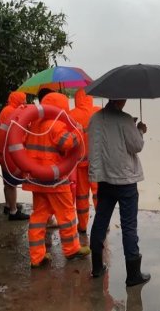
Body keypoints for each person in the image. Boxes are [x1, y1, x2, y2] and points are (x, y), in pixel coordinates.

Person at [22, 92, 91, 268]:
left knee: (39, 215)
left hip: (37, 180)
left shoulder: (34, 124)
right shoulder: (56, 124)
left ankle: (37, 256)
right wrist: (78, 130)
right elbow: (66, 143)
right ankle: (71, 249)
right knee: (67, 213)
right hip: (55, 181)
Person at [88, 99, 150, 286]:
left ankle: (97, 267)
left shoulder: (95, 119)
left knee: (100, 221)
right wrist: (139, 130)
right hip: (125, 181)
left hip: (104, 179)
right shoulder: (124, 120)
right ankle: (133, 275)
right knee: (129, 226)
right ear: (121, 99)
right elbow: (136, 146)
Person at [69, 89, 101, 232]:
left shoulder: (71, 115)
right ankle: (102, 223)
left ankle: (82, 226)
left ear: (76, 99)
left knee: (82, 197)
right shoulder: (99, 112)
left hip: (80, 163)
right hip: (97, 163)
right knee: (98, 194)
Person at [0, 91, 29, 221]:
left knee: (7, 181)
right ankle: (14, 212)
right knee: (12, 183)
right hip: (9, 152)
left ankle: (9, 205)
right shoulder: (13, 112)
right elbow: (16, 132)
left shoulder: (6, 110)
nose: (25, 102)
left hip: (2, 151)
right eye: (24, 100)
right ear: (19, 100)